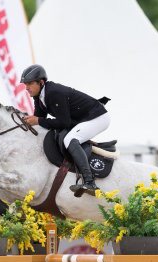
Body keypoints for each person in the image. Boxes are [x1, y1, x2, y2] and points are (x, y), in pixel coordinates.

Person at [21, 64, 111, 196]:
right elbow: (39, 119)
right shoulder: (39, 96)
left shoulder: (53, 92)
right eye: (25, 84)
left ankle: (90, 182)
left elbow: (63, 122)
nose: (26, 88)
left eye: (29, 84)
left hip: (98, 117)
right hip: (84, 118)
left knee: (70, 139)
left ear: (41, 82)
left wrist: (37, 121)